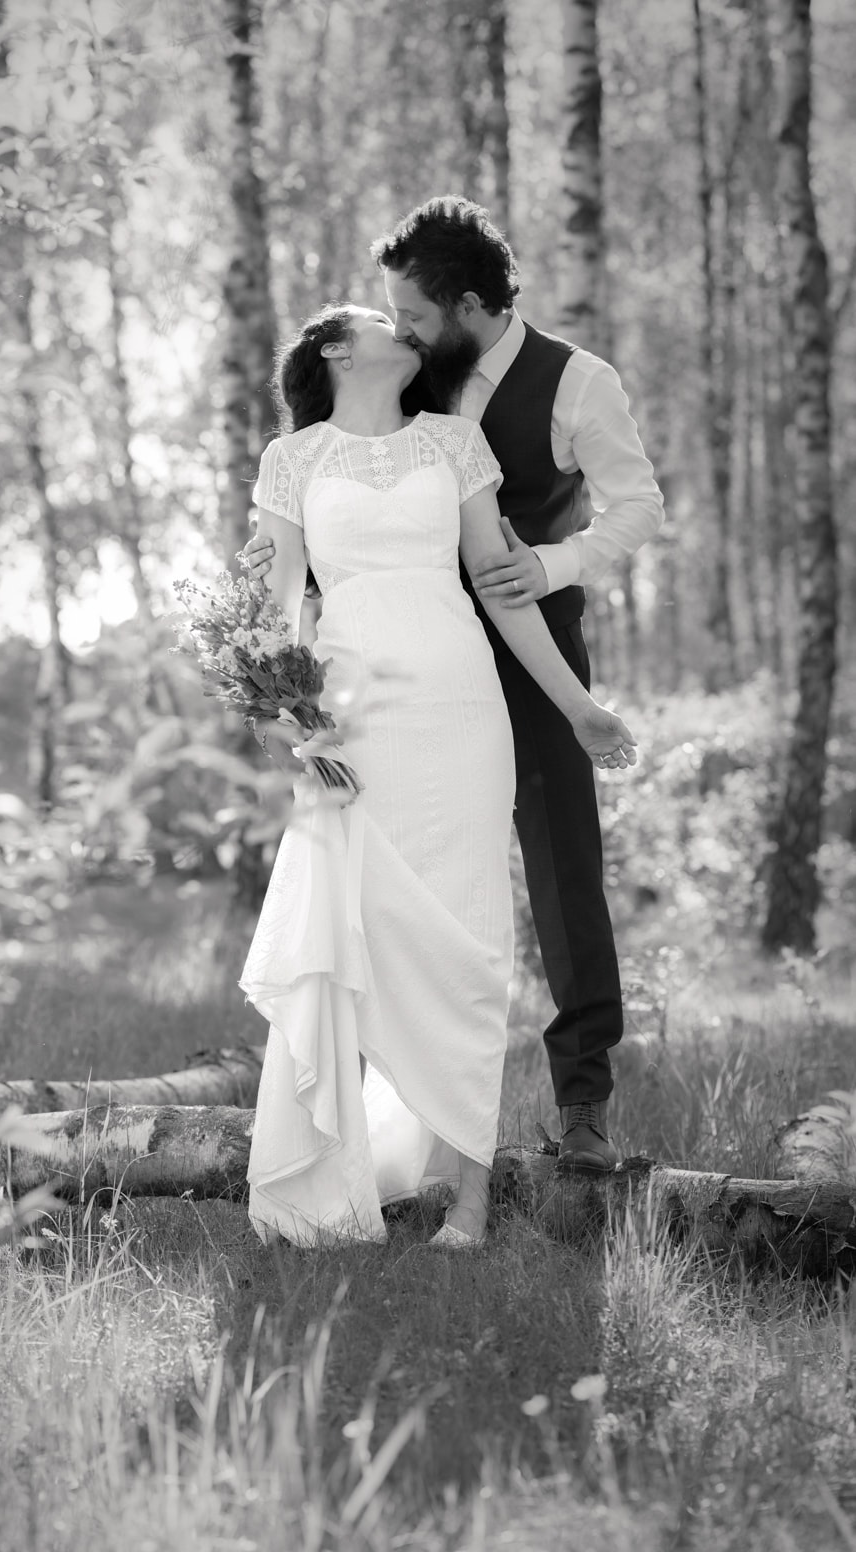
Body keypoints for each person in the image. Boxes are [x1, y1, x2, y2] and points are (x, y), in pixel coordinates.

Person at [246, 197, 664, 1175]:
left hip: (524, 643)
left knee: (562, 872)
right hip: (392, 670)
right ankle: (365, 1111)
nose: (400, 331)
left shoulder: (577, 382)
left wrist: (552, 568)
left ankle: (581, 1101)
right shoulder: (397, 392)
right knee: (372, 882)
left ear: (467, 305)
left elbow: (637, 504)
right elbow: (331, 505)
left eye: (413, 316)